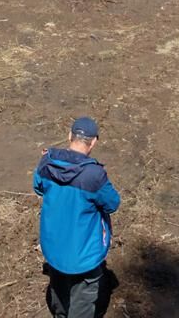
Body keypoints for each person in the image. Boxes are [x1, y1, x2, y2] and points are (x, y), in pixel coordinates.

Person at [34, 116, 120, 318]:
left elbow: (38, 188)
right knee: (82, 302)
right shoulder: (94, 175)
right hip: (84, 256)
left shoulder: (47, 162)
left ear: (70, 136)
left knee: (59, 290)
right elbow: (112, 204)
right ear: (94, 142)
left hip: (54, 248)